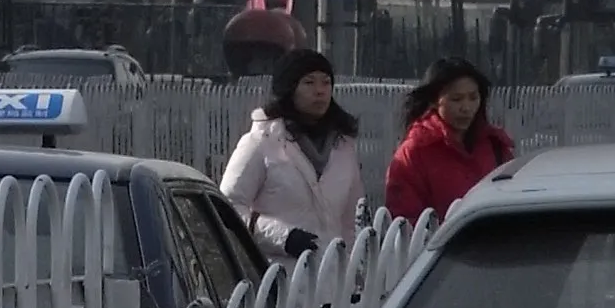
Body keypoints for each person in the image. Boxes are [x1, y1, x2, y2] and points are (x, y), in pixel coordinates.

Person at [220, 47, 365, 259]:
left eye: (326, 82)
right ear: (290, 89)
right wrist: (284, 237)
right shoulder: (261, 142)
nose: (320, 91)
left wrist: (355, 276)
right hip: (278, 278)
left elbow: (352, 220)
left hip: (333, 280)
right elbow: (228, 208)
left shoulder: (342, 147)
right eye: (309, 82)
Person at [383, 57, 515, 222]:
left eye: (473, 97)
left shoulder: (495, 145)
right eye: (456, 99)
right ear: (434, 101)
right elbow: (405, 220)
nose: (466, 108)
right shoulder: (415, 152)